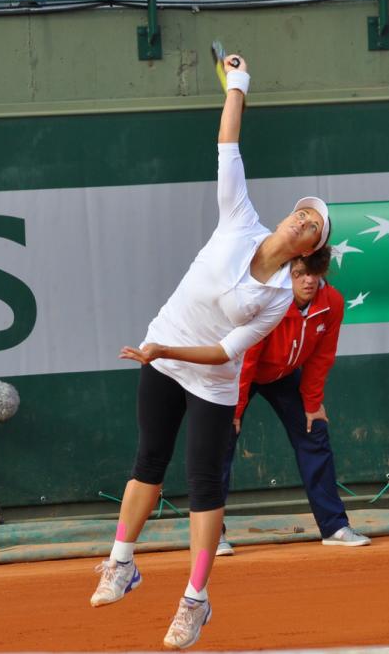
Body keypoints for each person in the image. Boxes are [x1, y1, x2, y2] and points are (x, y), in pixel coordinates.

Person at [90, 55, 332, 650]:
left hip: (208, 377)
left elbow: (227, 350)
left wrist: (163, 349)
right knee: (149, 457)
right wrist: (239, 86)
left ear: (309, 251)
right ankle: (122, 562)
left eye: (313, 224)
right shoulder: (239, 216)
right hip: (162, 350)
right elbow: (228, 144)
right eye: (302, 210)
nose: (303, 217)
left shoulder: (278, 298)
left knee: (204, 485)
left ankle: (195, 601)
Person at [215, 247, 370, 556]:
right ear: (288, 274)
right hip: (237, 371)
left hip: (283, 375)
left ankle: (334, 527)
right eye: (299, 274)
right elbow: (247, 357)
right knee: (220, 440)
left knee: (315, 430)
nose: (308, 280)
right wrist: (236, 409)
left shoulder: (332, 303)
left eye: (314, 273)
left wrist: (312, 403)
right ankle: (212, 533)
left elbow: (321, 357)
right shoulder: (270, 300)